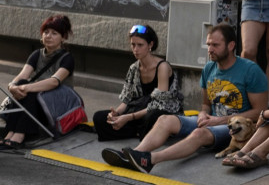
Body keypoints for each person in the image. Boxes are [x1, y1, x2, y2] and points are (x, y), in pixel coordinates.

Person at [103, 24, 269, 174]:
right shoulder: (209, 68)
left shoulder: (250, 71)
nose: (210, 49)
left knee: (199, 133)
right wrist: (204, 114)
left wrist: (220, 120)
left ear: (231, 46)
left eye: (215, 45)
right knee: (164, 119)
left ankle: (150, 160)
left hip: (235, 129)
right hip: (211, 122)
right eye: (209, 44)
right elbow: (205, 104)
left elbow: (259, 114)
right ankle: (135, 154)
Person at [93, 25, 183, 141]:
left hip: (160, 112)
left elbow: (160, 104)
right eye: (133, 45)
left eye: (140, 45)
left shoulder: (162, 67)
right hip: (138, 112)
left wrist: (128, 117)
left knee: (154, 116)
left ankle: (139, 132)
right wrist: (116, 113)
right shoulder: (134, 68)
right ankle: (138, 132)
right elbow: (127, 100)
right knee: (99, 118)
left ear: (150, 45)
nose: (136, 49)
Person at [0, 15, 75, 148]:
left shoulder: (67, 58)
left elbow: (54, 82)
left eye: (54, 33)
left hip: (58, 106)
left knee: (31, 90)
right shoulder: (36, 54)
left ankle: (20, 134)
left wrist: (26, 88)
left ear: (63, 38)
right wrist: (12, 86)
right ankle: (11, 132)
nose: (49, 36)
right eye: (46, 32)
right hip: (38, 102)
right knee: (22, 83)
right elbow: (22, 75)